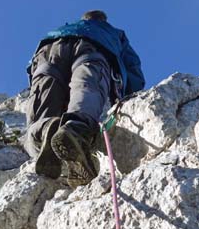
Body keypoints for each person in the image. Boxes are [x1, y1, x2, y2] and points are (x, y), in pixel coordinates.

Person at [24, 10, 145, 186]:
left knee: (44, 99)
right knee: (86, 87)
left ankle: (45, 129)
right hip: (91, 48)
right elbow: (133, 69)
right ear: (103, 20)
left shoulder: (65, 27)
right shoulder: (113, 32)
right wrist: (128, 95)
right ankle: (75, 130)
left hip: (48, 52)